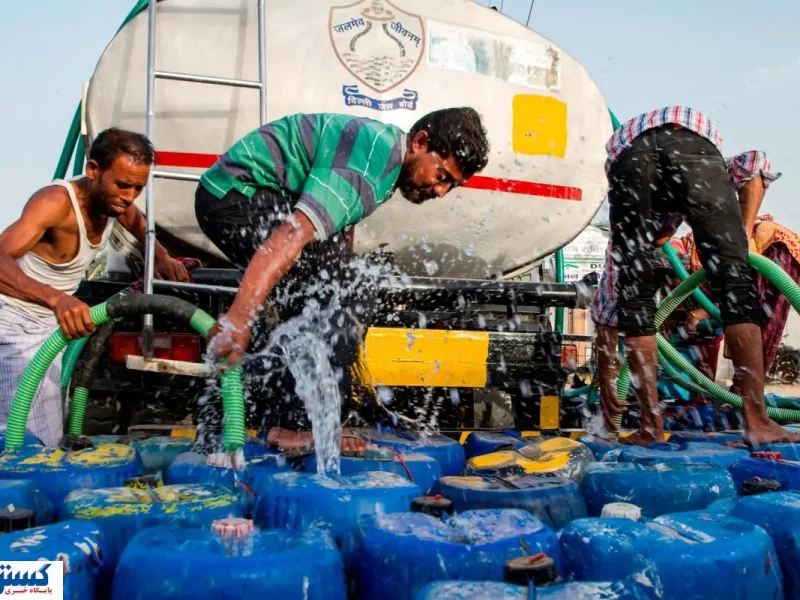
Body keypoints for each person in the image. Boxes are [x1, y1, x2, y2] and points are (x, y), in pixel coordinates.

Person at [194, 109, 489, 436]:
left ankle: (297, 414)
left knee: (337, 285)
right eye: (443, 176)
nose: (441, 192)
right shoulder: (367, 170)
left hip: (238, 193)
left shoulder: (384, 149)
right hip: (236, 195)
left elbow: (338, 229)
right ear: (420, 143)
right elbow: (291, 236)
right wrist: (239, 317)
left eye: (452, 186)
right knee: (333, 291)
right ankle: (291, 426)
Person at [591, 107, 798, 447]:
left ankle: (650, 427)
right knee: (736, 289)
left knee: (637, 303)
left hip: (630, 161)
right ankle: (758, 423)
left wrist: (607, 375)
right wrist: (740, 237)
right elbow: (755, 164)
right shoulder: (703, 175)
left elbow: (609, 306)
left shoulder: (636, 221)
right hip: (695, 149)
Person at [0, 128, 191, 447]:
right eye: (122, 184)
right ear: (93, 170)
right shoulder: (55, 203)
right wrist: (56, 298)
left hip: (47, 325)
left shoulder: (117, 202)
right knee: (31, 445)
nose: (130, 196)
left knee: (40, 437)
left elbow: (140, 225)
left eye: (138, 188)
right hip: (13, 322)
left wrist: (162, 258)